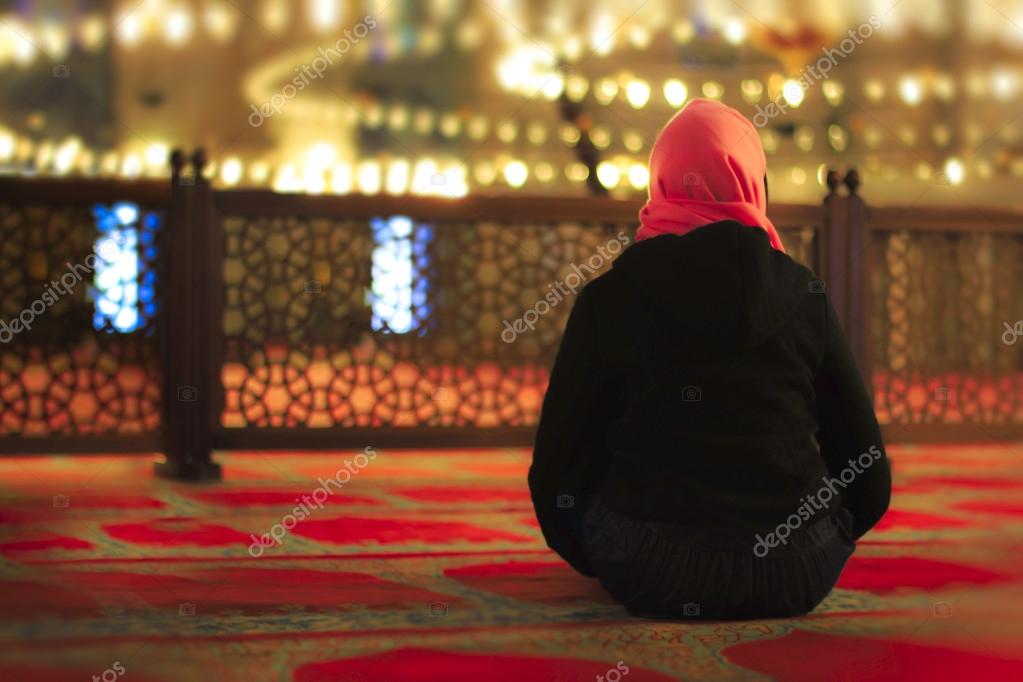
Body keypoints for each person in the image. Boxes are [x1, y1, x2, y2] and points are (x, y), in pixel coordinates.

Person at [528, 99, 891, 620]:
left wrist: (597, 553)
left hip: (651, 569)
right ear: (752, 183)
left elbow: (555, 474)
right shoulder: (802, 294)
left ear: (660, 182)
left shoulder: (611, 298)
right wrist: (815, 539)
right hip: (795, 572)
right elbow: (868, 477)